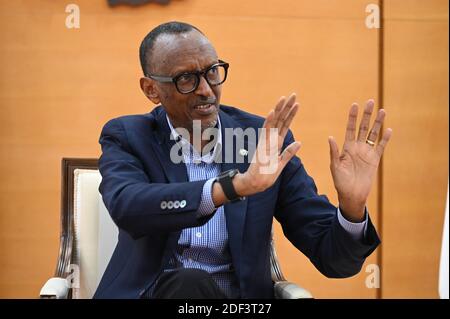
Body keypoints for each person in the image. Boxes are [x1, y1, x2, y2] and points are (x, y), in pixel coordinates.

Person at [93, 21, 392, 299]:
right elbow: (127, 205)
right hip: (155, 293)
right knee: (189, 283)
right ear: (151, 90)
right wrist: (232, 187)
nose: (206, 90)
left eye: (212, 71)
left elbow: (334, 261)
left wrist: (352, 207)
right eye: (186, 78)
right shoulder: (128, 135)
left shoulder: (263, 140)